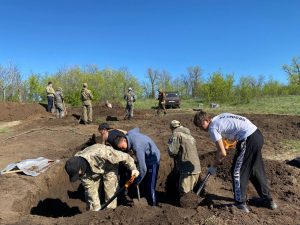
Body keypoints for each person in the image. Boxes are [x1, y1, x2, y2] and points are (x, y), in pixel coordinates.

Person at [193, 110, 278, 213]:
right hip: (257, 135)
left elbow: (222, 153)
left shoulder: (212, 127)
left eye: (202, 125)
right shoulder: (220, 117)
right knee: (255, 169)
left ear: (207, 120)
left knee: (237, 171)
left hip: (248, 139)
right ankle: (268, 200)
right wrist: (230, 142)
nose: (202, 129)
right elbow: (236, 128)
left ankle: (240, 203)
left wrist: (214, 166)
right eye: (199, 127)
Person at [65, 144, 139, 211]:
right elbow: (90, 189)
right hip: (92, 171)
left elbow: (125, 157)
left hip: (109, 167)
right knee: (93, 204)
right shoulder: (77, 167)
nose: (79, 177)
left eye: (78, 174)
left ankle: (110, 212)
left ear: (80, 168)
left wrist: (133, 168)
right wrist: (95, 210)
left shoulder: (102, 153)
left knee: (110, 191)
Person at [114, 128, 160, 206]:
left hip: (153, 159)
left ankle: (153, 206)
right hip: (145, 155)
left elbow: (143, 169)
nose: (122, 149)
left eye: (122, 147)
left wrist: (137, 181)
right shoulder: (129, 134)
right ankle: (145, 197)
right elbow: (137, 129)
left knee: (150, 185)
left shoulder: (137, 147)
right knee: (144, 182)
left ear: (124, 140)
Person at [168, 120, 201, 197]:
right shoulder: (190, 137)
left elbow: (172, 152)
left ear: (172, 128)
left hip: (187, 170)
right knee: (190, 191)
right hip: (197, 168)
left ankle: (185, 208)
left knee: (184, 193)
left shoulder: (176, 134)